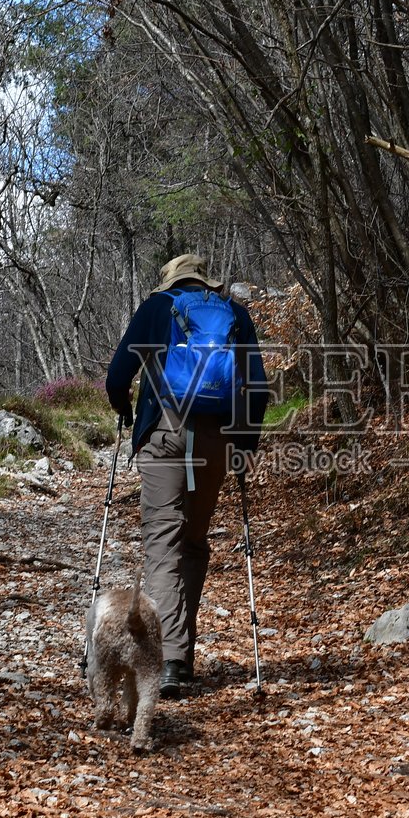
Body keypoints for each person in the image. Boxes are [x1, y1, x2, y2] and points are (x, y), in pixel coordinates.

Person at [106, 254, 268, 698]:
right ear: (204, 281)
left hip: (165, 433)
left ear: (172, 281)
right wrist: (245, 443)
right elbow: (257, 386)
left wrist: (124, 408)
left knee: (163, 543)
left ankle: (169, 659)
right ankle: (181, 657)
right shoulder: (234, 313)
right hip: (216, 440)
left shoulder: (157, 308)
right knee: (193, 542)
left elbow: (118, 375)